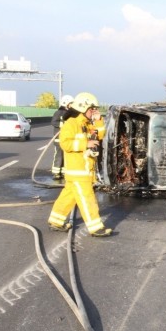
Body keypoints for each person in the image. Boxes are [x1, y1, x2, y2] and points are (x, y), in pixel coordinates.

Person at [48, 92, 112, 237]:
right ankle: (96, 228)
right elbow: (65, 143)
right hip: (78, 171)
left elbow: (100, 136)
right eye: (92, 109)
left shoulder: (87, 124)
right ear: (83, 108)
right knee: (87, 198)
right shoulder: (71, 124)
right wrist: (85, 143)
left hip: (83, 170)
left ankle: (55, 221)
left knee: (68, 196)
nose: (94, 111)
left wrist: (99, 121)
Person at [51, 94, 74, 180]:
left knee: (66, 155)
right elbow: (53, 122)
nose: (72, 105)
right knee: (59, 155)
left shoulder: (69, 114)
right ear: (66, 103)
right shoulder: (58, 113)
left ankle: (64, 172)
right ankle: (56, 173)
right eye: (71, 103)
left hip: (67, 138)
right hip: (59, 139)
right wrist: (62, 125)